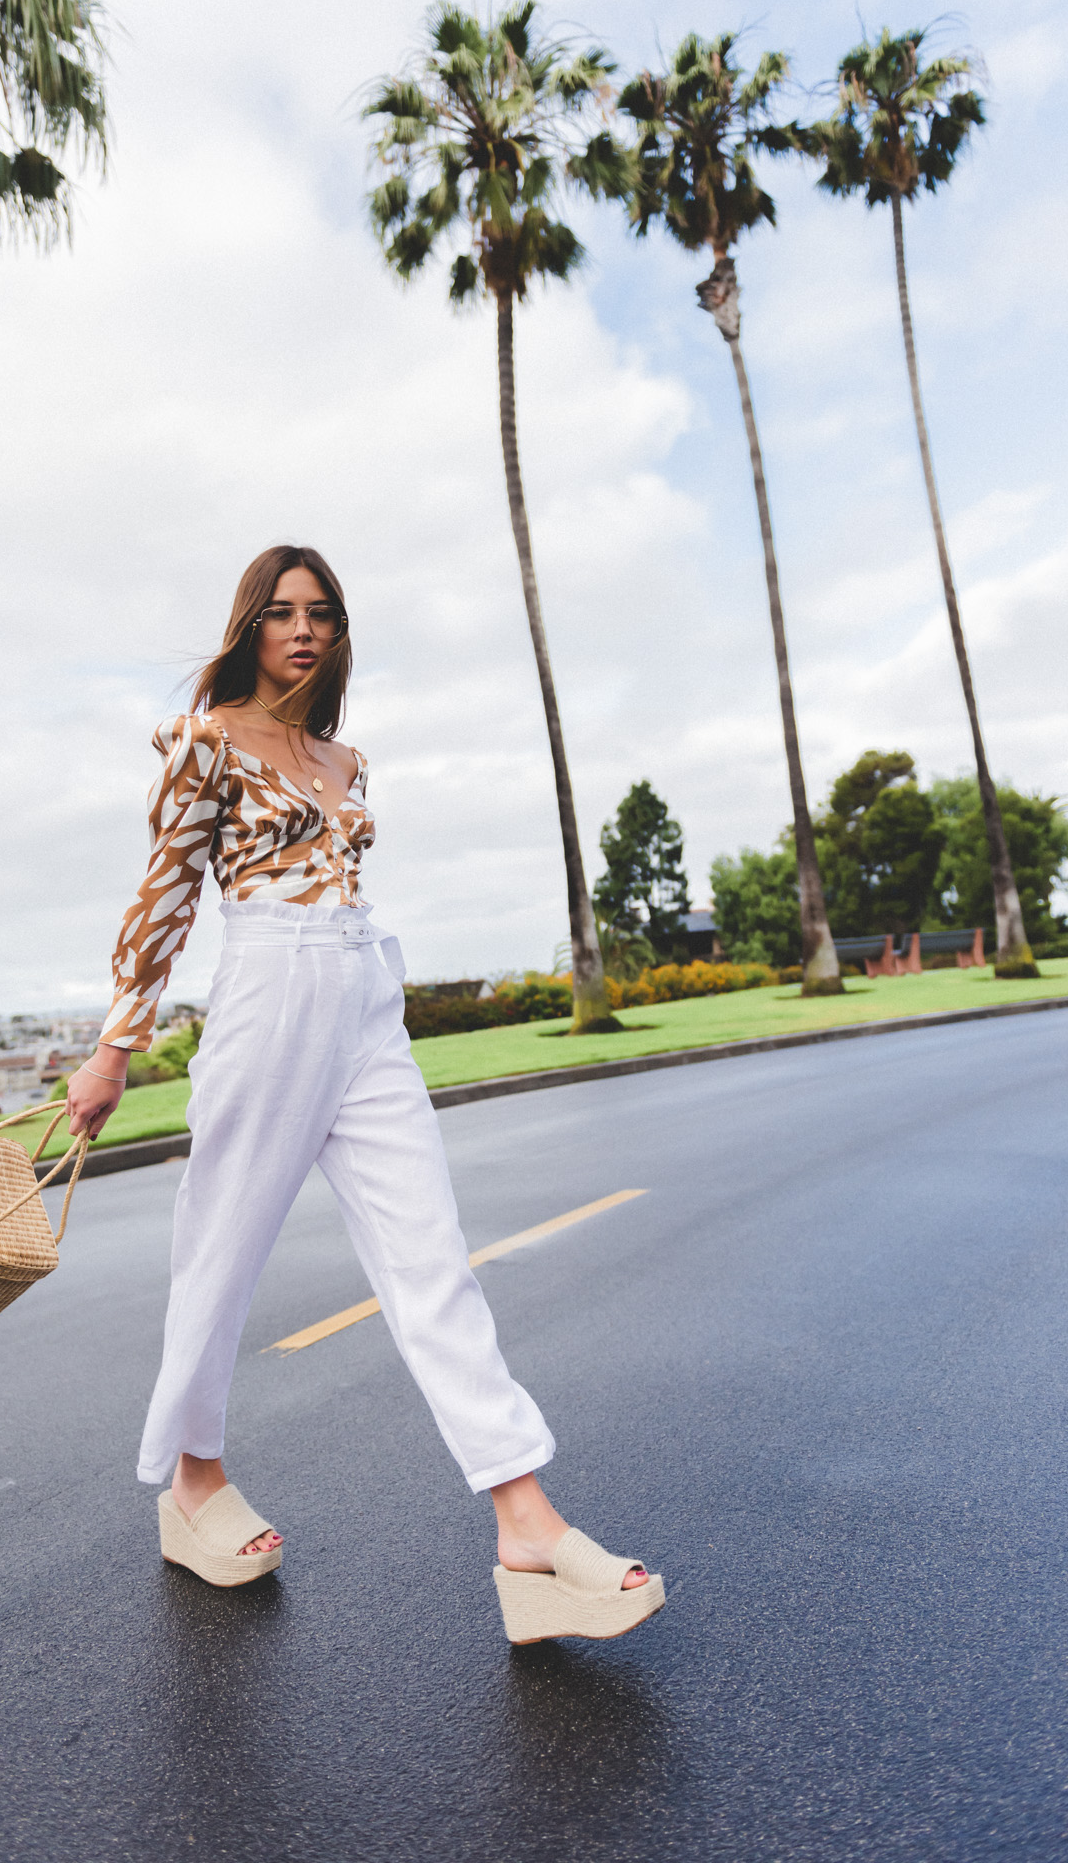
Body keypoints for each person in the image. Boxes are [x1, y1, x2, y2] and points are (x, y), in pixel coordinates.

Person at [66, 546, 664, 1644]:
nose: (303, 629)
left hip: (361, 994)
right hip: (267, 991)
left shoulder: (347, 758)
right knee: (222, 1252)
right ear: (249, 627)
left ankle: (524, 1524)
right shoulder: (207, 742)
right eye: (282, 612)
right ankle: (194, 1484)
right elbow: (161, 899)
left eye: (322, 613)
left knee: (432, 1257)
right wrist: (116, 1046)